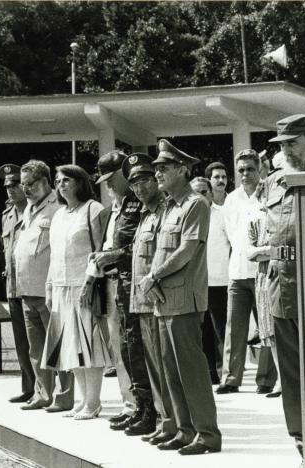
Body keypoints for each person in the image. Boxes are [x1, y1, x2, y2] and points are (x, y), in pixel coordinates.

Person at [139, 139, 221, 455]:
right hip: (164, 301)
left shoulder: (195, 204)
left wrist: (154, 276)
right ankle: (186, 431)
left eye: (164, 168)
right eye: (156, 168)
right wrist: (153, 280)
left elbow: (187, 249)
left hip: (184, 299)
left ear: (182, 170)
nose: (157, 173)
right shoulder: (170, 206)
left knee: (192, 372)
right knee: (172, 372)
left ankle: (208, 435)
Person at [263, 114, 305, 457]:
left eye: (293, 142)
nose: (286, 150)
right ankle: (302, 441)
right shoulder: (275, 181)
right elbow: (274, 234)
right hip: (281, 283)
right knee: (289, 371)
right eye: (282, 144)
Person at [87, 150, 154, 434]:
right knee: (125, 348)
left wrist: (110, 256)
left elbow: (139, 247)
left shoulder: (140, 203)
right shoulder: (121, 204)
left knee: (137, 348)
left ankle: (149, 409)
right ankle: (136, 406)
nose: (107, 184)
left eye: (112, 178)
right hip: (118, 282)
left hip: (136, 282)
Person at [41, 164, 110, 420]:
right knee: (72, 347)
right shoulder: (59, 215)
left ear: (81, 182)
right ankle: (82, 400)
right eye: (58, 181)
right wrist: (49, 286)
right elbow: (54, 254)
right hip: (60, 287)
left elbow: (101, 248)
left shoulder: (93, 209)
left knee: (89, 346)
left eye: (67, 180)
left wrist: (90, 282)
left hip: (85, 286)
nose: (61, 185)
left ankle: (93, 402)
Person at [124, 153, 177, 445]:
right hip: (140, 301)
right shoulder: (144, 213)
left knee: (164, 366)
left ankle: (171, 422)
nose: (140, 188)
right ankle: (163, 420)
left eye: (145, 180)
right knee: (153, 368)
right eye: (134, 183)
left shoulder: (166, 210)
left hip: (157, 300)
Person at [216, 149, 278, 395]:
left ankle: (266, 379)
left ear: (259, 169)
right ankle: (231, 379)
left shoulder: (269, 194)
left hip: (262, 270)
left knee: (266, 326)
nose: (245, 174)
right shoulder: (231, 199)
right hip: (238, 271)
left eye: (250, 169)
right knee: (234, 327)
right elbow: (232, 235)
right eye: (240, 170)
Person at [14, 160, 74, 412]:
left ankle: (65, 395)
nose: (26, 189)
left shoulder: (57, 206)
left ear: (45, 182)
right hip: (27, 288)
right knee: (36, 348)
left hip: (49, 289)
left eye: (31, 184)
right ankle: (43, 393)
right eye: (23, 184)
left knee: (58, 344)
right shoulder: (28, 208)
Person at [0, 164, 35, 404]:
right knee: (21, 342)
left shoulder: (36, 212)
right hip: (13, 285)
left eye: (15, 184)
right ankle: (29, 387)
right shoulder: (7, 215)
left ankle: (46, 388)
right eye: (7, 186)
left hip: (32, 284)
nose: (10, 189)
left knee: (38, 341)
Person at [190, 176, 226, 384]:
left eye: (203, 192)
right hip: (196, 281)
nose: (199, 196)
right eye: (195, 192)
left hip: (219, 280)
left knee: (221, 330)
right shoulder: (187, 215)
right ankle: (209, 373)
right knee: (202, 332)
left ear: (211, 194)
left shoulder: (221, 215)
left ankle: (224, 374)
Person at [246, 199, 282, 398]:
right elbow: (249, 252)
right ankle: (281, 381)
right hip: (263, 277)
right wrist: (269, 251)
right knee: (270, 331)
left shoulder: (282, 217)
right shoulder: (255, 219)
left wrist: (265, 252)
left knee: (285, 328)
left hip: (281, 274)